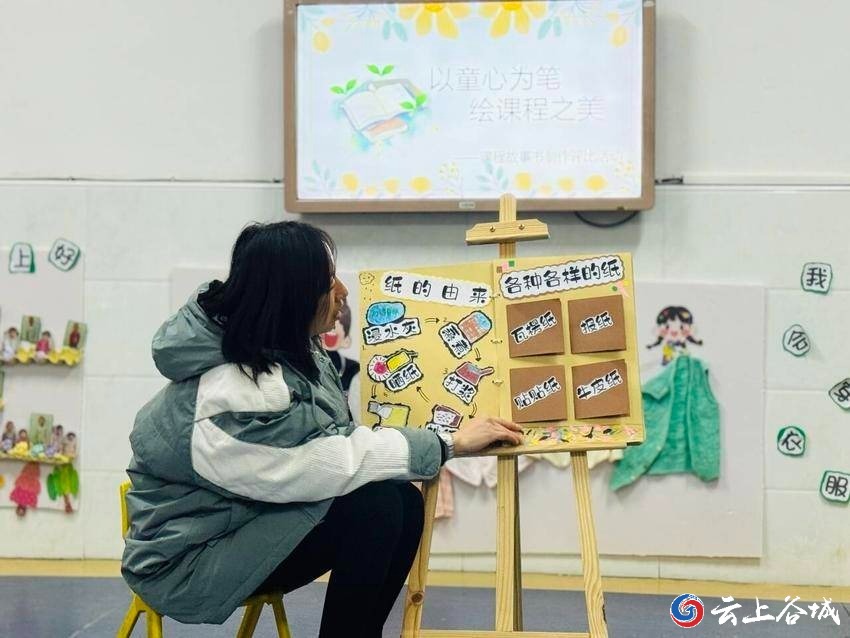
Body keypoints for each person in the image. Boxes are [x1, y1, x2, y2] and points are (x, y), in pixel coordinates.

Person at [120, 221, 522, 636]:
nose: (342, 292)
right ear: (293, 294)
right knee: (376, 507)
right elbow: (320, 463)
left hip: (238, 521)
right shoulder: (228, 389)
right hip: (186, 561)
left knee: (402, 500)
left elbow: (331, 443)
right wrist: (446, 443)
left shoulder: (283, 349)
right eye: (328, 282)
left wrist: (439, 444)